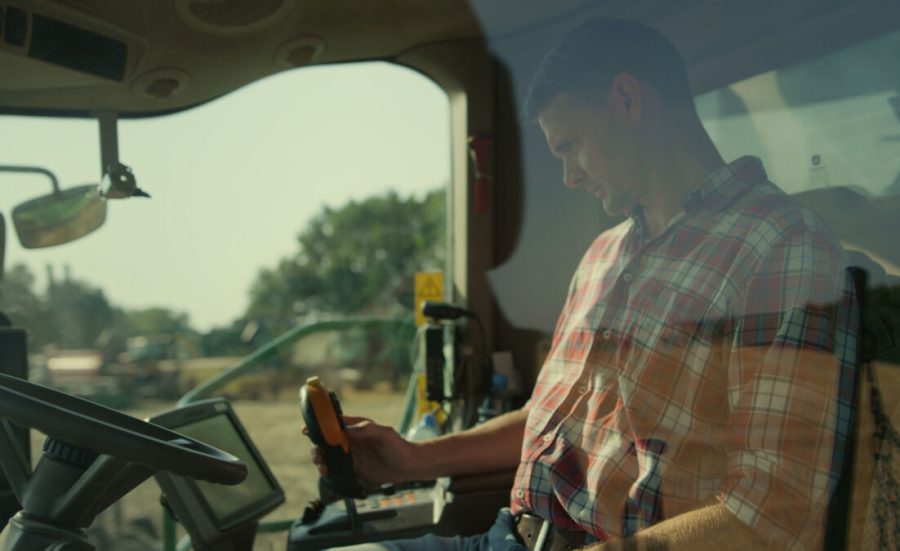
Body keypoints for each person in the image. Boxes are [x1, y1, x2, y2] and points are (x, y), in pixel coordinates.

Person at [313, 17, 857, 551]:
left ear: (626, 99)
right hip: (510, 534)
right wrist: (410, 458)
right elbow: (549, 420)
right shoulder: (604, 254)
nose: (570, 176)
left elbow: (773, 516)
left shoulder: (781, 248)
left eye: (571, 145)